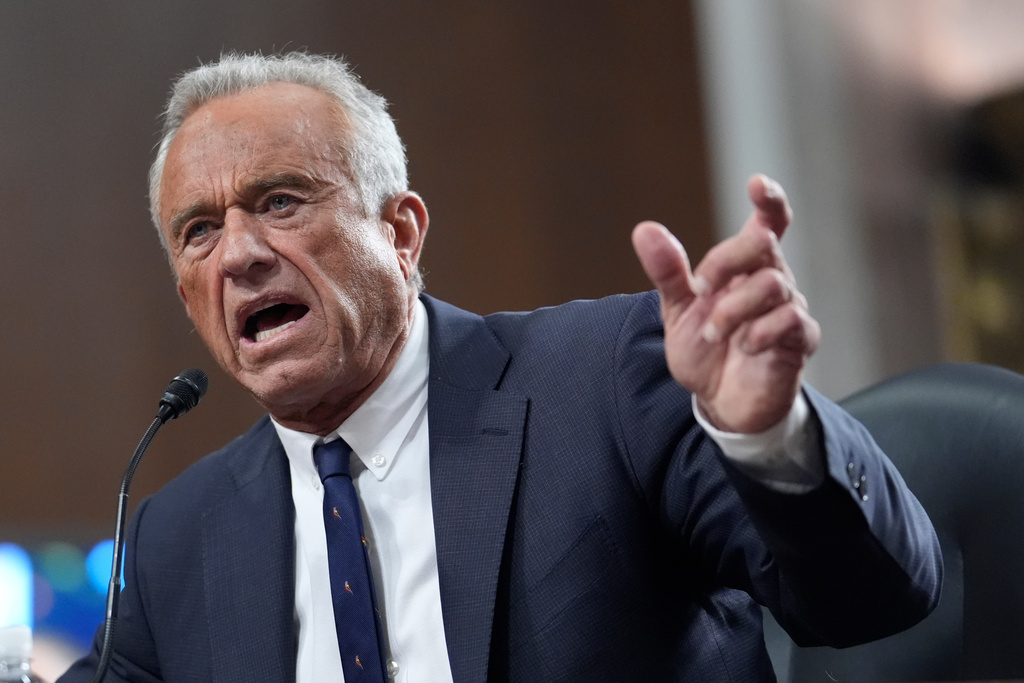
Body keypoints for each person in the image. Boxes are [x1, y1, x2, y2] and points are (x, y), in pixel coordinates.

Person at [59, 52, 940, 682]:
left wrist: (766, 437)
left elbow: (870, 603)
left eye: (280, 201)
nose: (240, 254)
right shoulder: (179, 535)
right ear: (188, 294)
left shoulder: (604, 382)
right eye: (199, 231)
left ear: (400, 234)